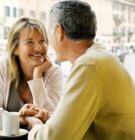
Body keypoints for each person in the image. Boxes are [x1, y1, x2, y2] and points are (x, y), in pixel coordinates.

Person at [20, 1, 135, 139]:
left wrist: (34, 124)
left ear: (59, 31)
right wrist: (49, 118)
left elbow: (54, 138)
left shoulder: (88, 66)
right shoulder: (100, 59)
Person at [0, 17, 64, 115]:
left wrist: (37, 76)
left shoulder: (55, 72)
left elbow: (53, 117)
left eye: (42, 41)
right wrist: (22, 119)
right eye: (29, 42)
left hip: (40, 131)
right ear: (15, 49)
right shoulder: (4, 65)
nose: (38, 48)